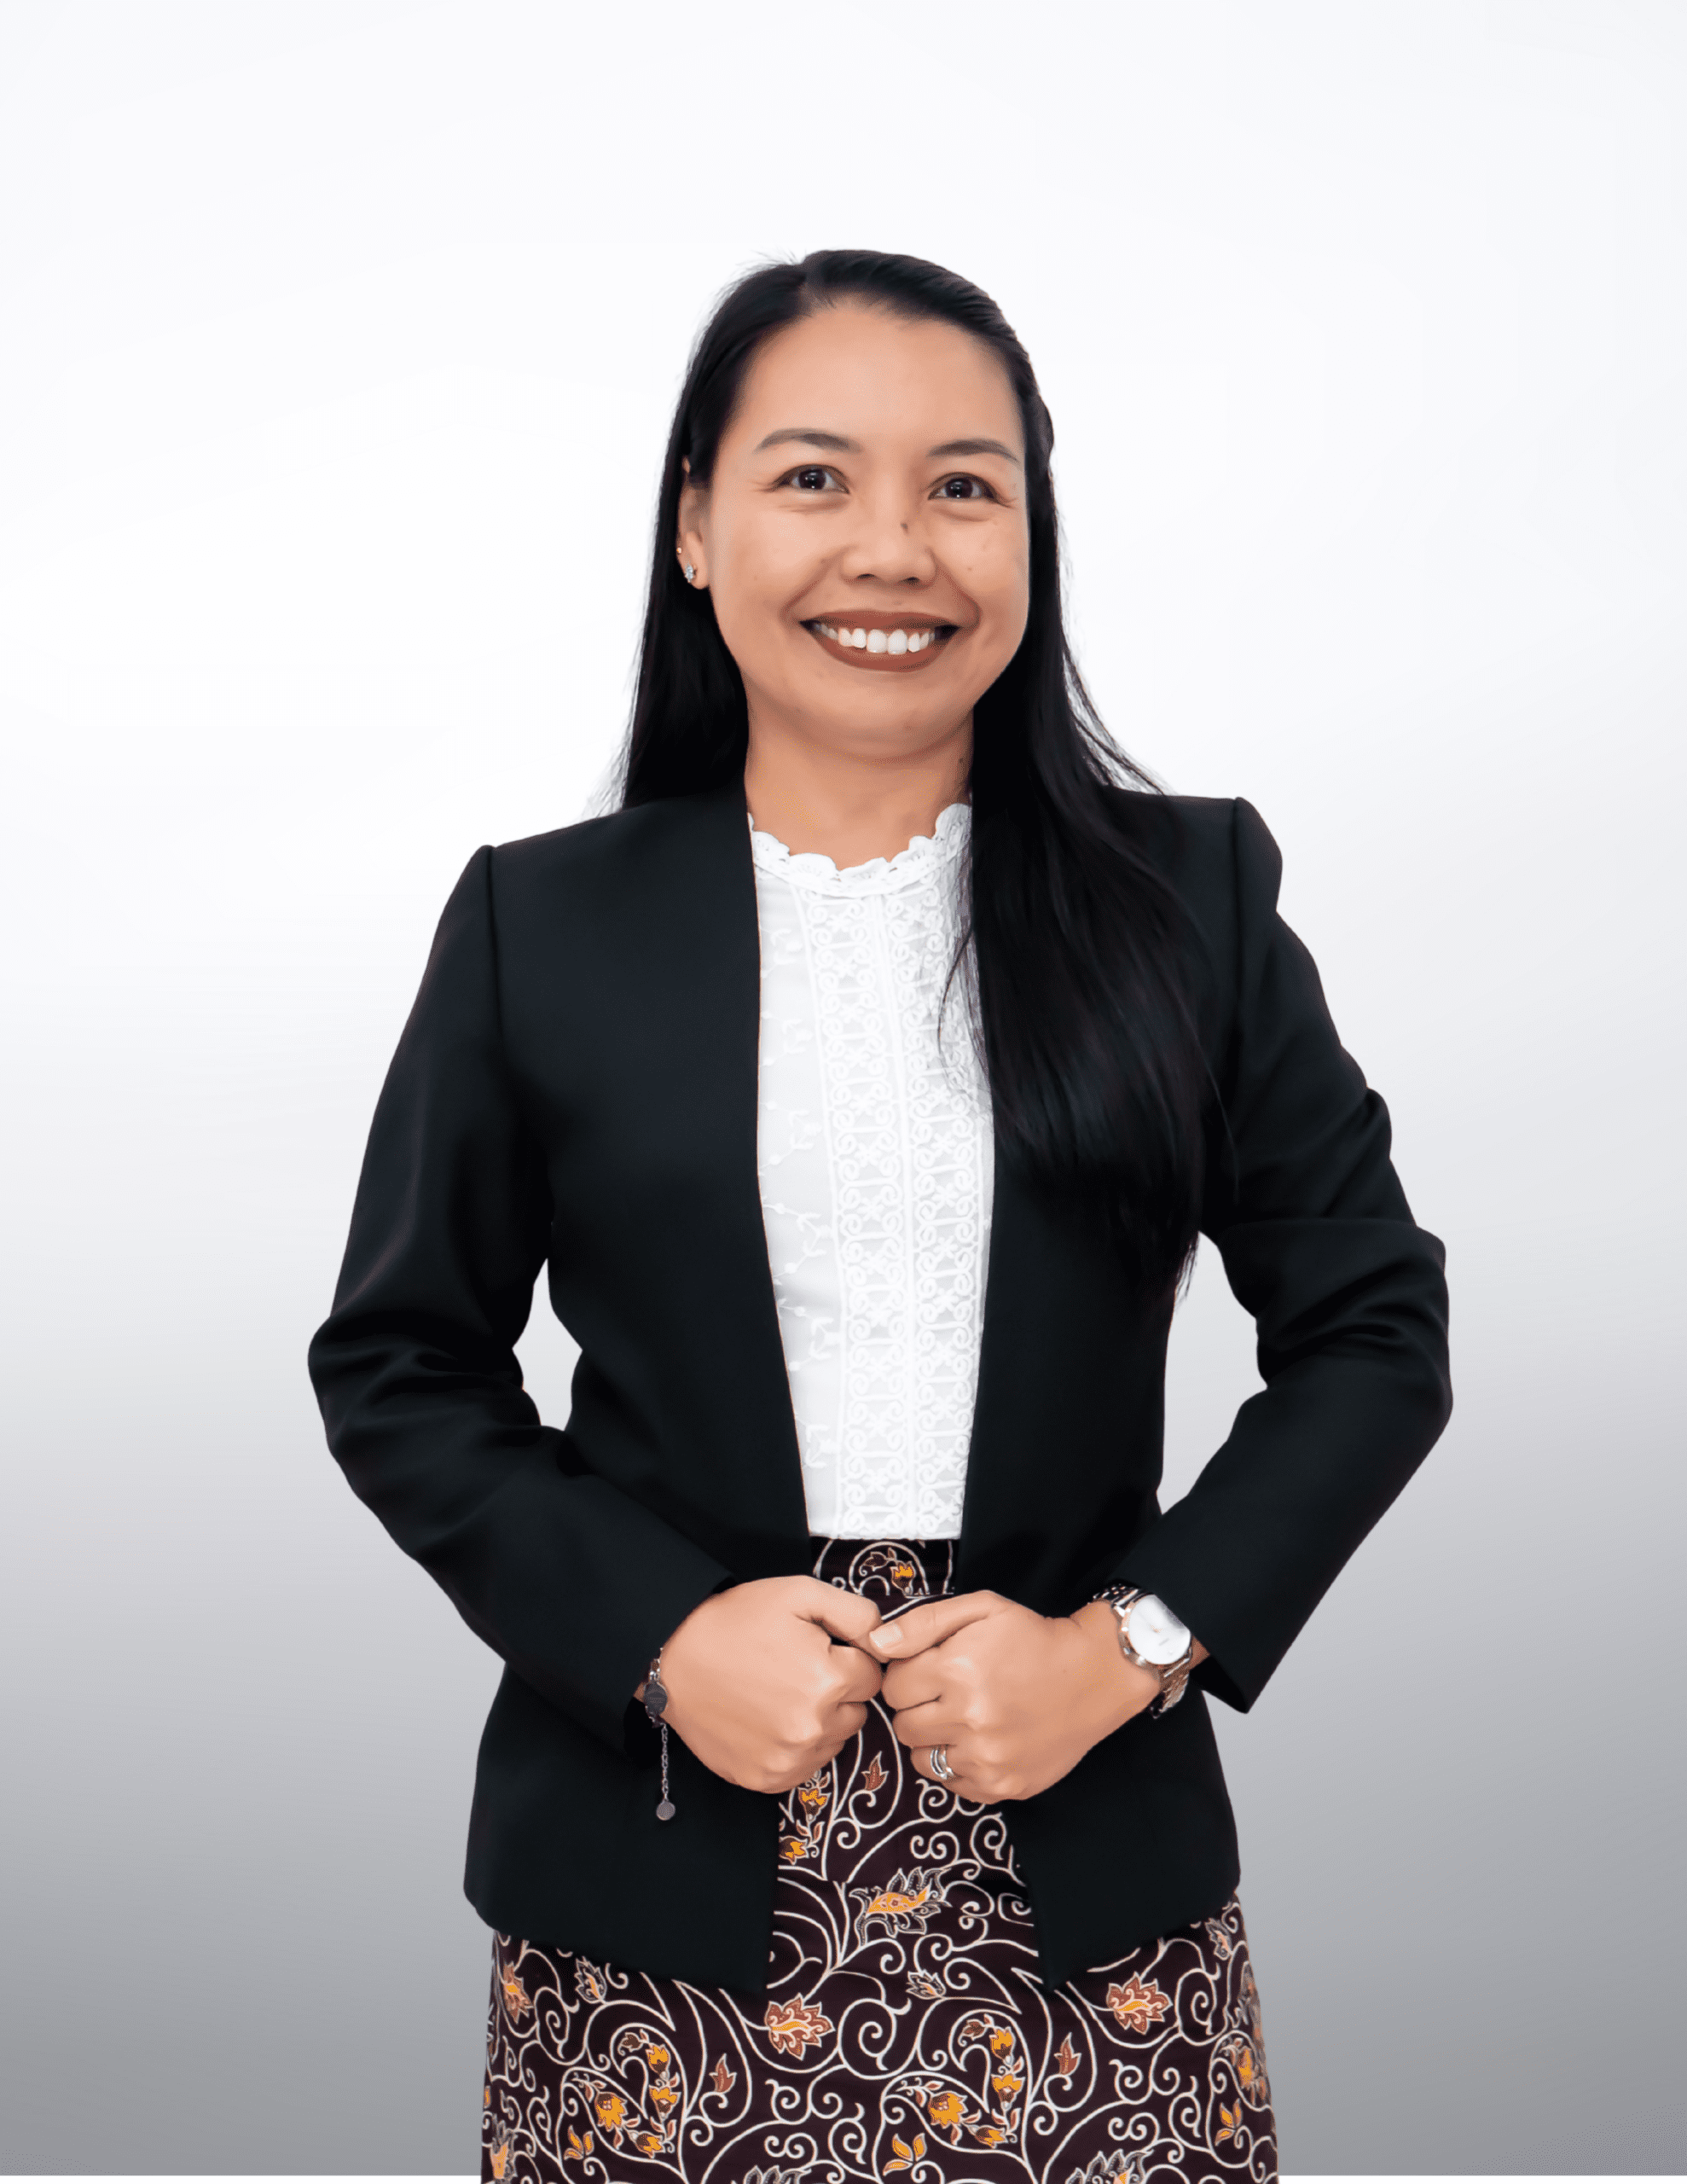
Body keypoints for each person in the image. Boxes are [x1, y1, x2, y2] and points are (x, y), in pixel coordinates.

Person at [308, 249, 1451, 2184]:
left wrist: (1125, 1645)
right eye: (813, 477)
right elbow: (402, 1364)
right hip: (657, 1863)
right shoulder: (538, 925)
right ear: (696, 525)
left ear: (1031, 534)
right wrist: (661, 1635)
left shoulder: (1186, 903)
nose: (893, 549)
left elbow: (1372, 1330)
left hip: (1080, 1852)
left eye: (962, 485)